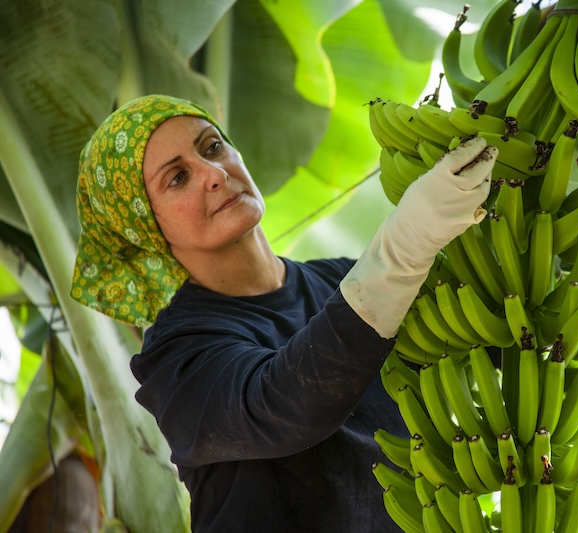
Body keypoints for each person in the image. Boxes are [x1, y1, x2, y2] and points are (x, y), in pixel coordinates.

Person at [70, 94, 497, 532]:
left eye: (212, 147)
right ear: (147, 226)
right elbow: (284, 405)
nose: (214, 174)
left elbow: (492, 332)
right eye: (178, 177)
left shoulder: (344, 279)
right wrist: (405, 247)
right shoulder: (175, 356)